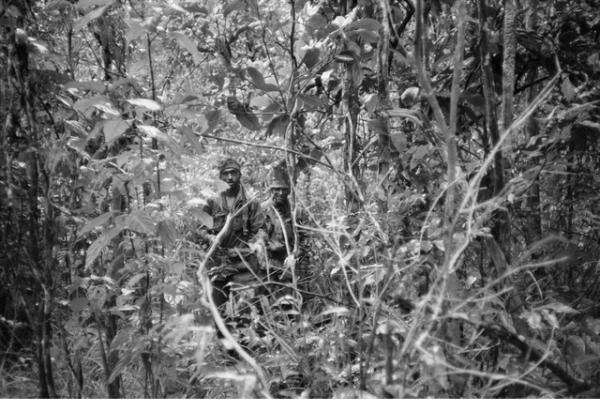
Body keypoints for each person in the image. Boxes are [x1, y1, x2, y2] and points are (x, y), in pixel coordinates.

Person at [201, 158, 264, 339]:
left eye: (233, 173)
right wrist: (211, 237)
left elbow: (260, 228)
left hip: (243, 261)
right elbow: (200, 228)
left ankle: (244, 347)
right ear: (220, 177)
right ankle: (227, 349)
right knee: (218, 311)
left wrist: (257, 242)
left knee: (245, 307)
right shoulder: (212, 201)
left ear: (239, 175)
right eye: (225, 174)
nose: (230, 177)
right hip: (218, 262)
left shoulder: (250, 201)